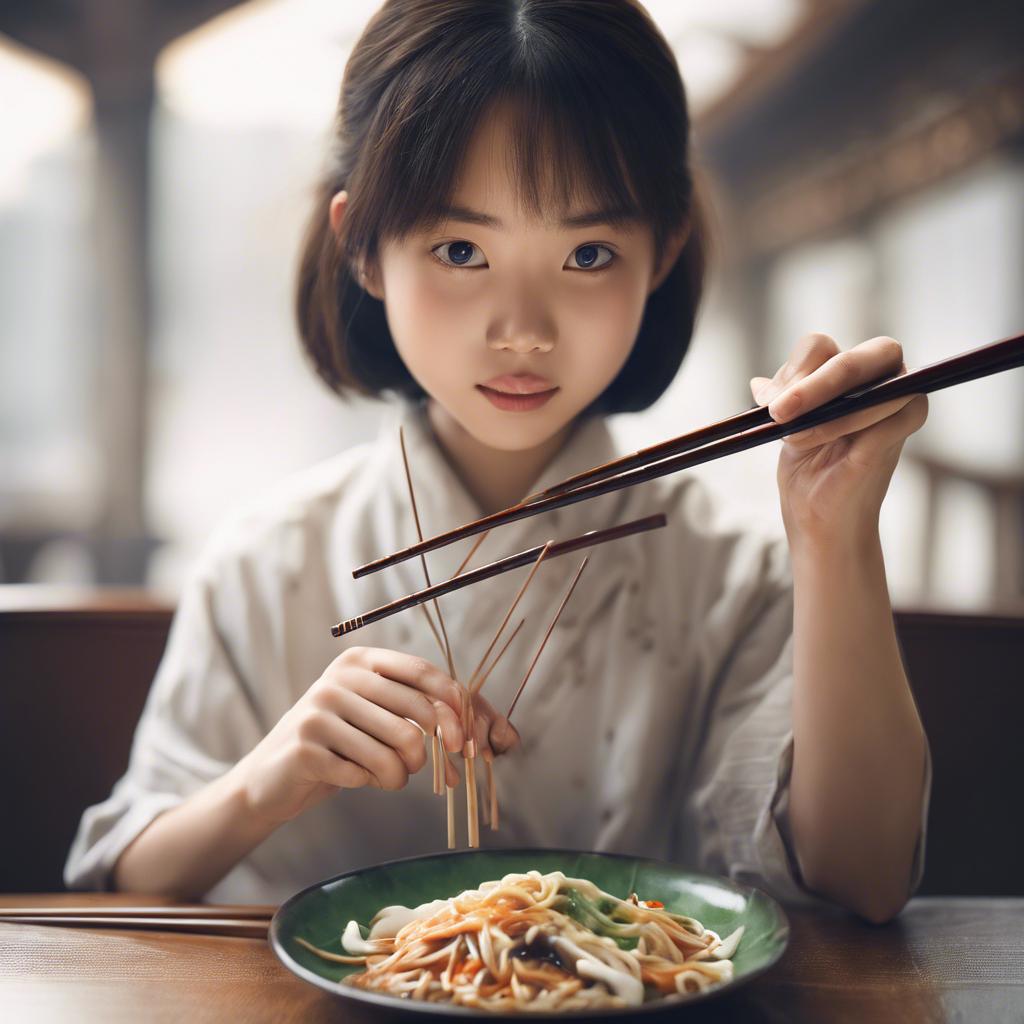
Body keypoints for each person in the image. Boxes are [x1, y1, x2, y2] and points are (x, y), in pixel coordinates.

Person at [66, 0, 929, 920]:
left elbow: (864, 882)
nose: (523, 329)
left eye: (589, 252)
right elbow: (120, 880)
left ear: (663, 249)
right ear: (363, 246)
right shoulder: (267, 562)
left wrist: (836, 534)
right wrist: (267, 781)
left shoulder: (731, 574)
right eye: (461, 249)